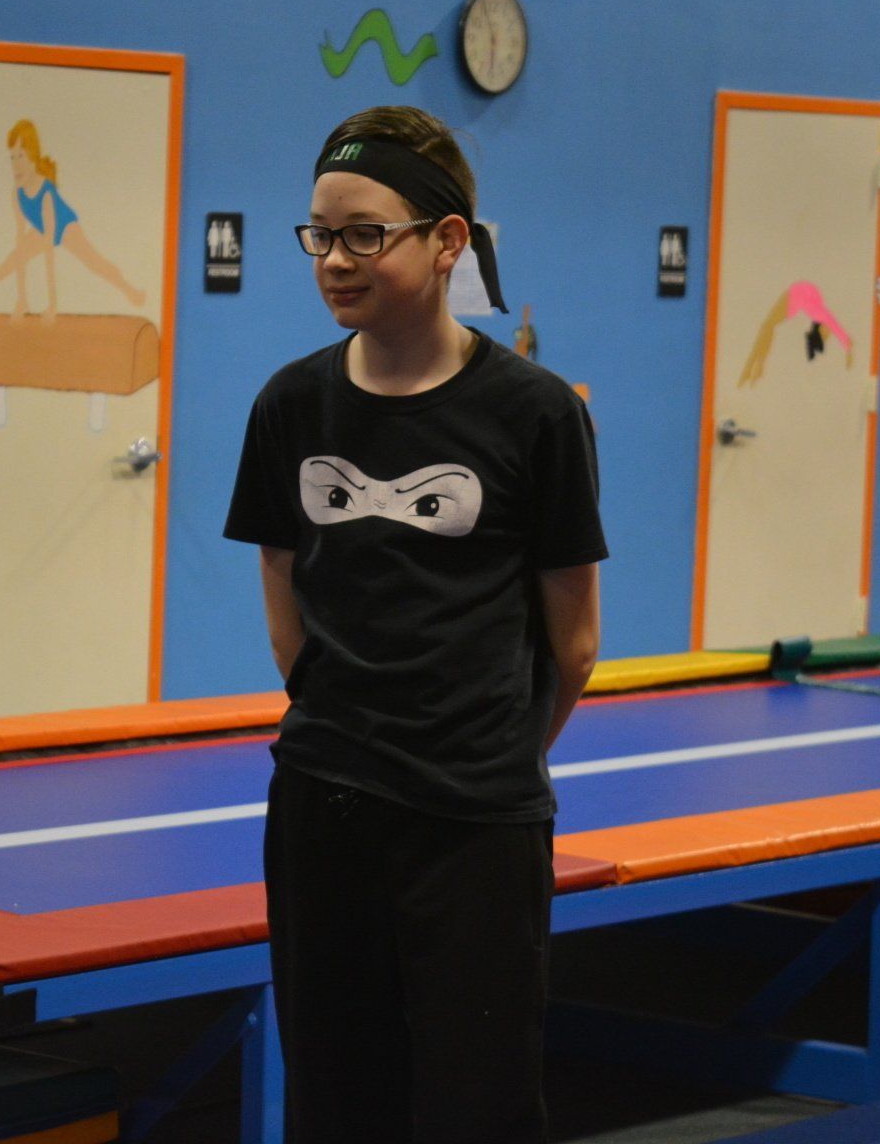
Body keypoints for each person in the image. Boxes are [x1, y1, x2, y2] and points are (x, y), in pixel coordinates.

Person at [223, 105, 605, 1143]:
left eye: (365, 233)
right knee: (335, 1099)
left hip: (474, 820)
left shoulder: (534, 412)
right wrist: (343, 724)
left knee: (477, 1105)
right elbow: (284, 586)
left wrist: (487, 757)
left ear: (446, 242)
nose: (334, 260)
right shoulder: (291, 403)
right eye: (320, 234)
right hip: (323, 804)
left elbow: (573, 644)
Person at [0, 118, 145, 314]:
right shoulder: (17, 195)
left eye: (20, 156)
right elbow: (20, 244)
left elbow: (49, 251)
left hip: (65, 226)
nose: (15, 164)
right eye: (12, 157)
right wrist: (22, 301)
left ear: (33, 156)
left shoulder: (46, 192)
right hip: (43, 229)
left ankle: (129, 289)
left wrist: (52, 305)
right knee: (15, 256)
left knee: (93, 262)